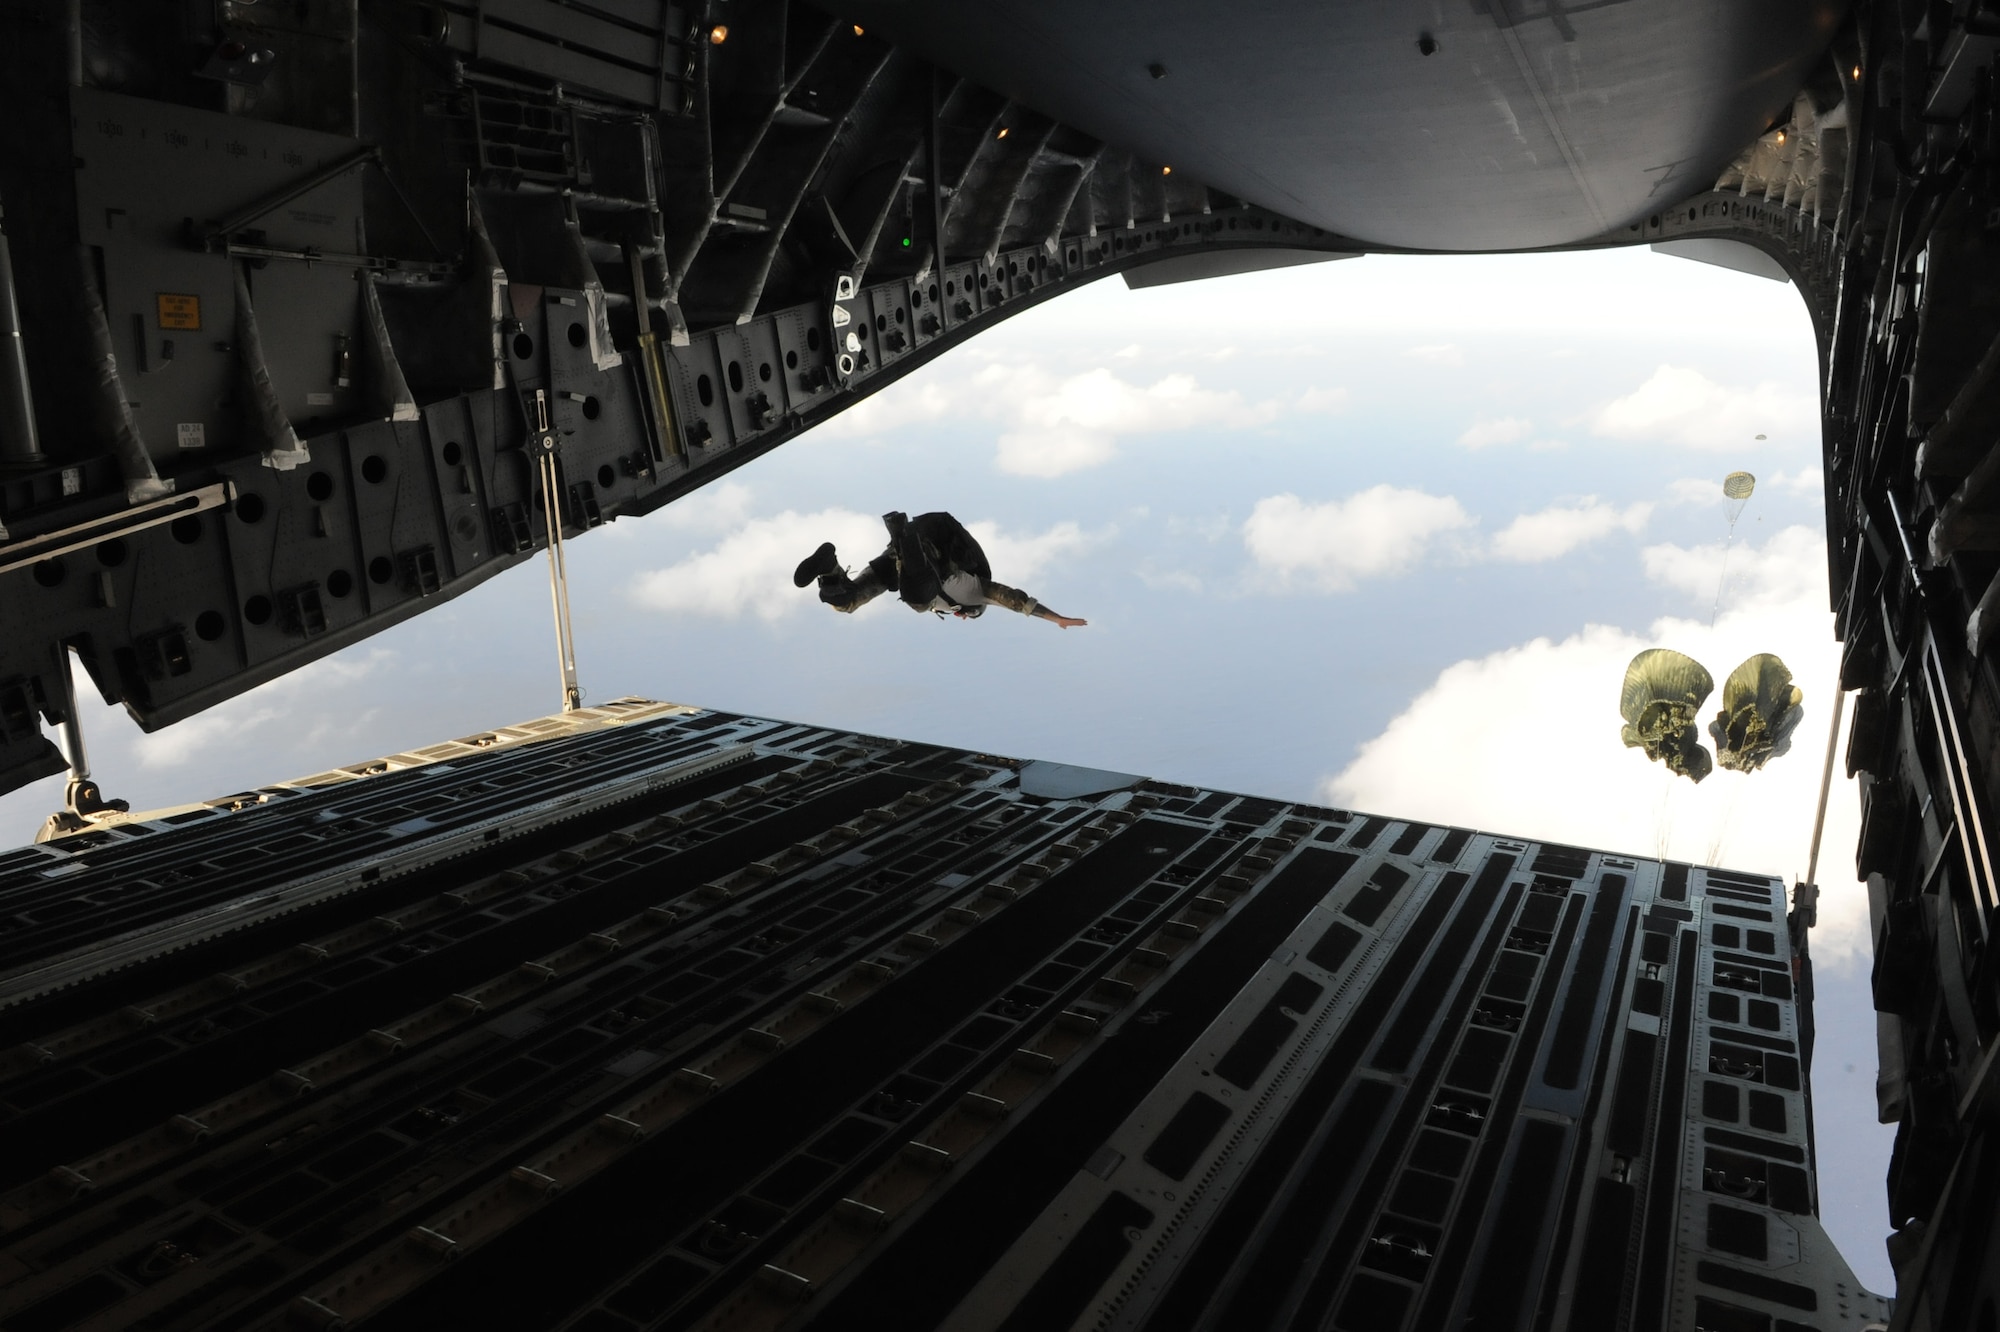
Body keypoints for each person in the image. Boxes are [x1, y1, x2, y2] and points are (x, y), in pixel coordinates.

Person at [792, 511, 1088, 629]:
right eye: (961, 613)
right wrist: (1056, 618)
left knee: (848, 602)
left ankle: (827, 567)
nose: (957, 613)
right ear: (968, 611)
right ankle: (905, 536)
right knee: (919, 600)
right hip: (927, 550)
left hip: (899, 561)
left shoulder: (945, 602)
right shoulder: (975, 594)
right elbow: (1014, 599)